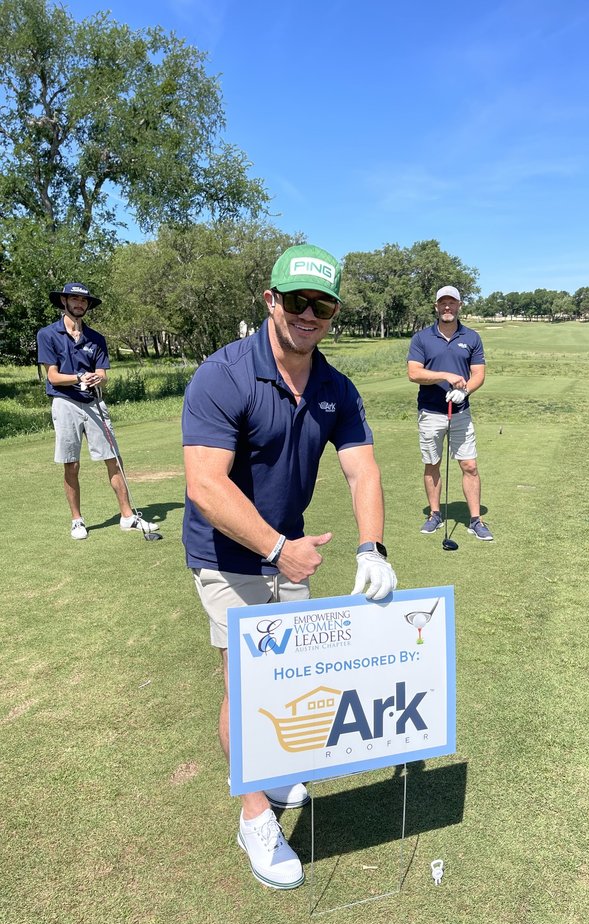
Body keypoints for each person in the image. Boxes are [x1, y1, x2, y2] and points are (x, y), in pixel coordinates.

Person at [182, 243, 397, 891]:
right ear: (271, 300)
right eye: (296, 300)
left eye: (322, 303)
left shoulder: (335, 385)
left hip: (290, 552)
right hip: (228, 555)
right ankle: (254, 814)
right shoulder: (224, 375)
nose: (309, 313)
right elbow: (204, 485)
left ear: (332, 312)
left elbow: (362, 469)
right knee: (247, 686)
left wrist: (372, 548)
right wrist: (278, 549)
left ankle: (273, 773)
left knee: (286, 680)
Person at [36, 281, 160, 541]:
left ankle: (127, 516)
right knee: (72, 463)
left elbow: (103, 375)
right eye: (74, 299)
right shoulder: (47, 335)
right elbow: (53, 377)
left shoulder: (96, 338)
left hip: (93, 402)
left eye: (84, 301)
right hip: (65, 402)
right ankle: (77, 520)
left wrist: (97, 379)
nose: (80, 304)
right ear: (64, 302)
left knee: (113, 459)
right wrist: (80, 377)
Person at [407, 285, 493, 541]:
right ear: (436, 306)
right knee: (432, 464)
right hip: (431, 412)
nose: (447, 307)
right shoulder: (421, 338)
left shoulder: (472, 337)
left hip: (460, 413)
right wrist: (445, 376)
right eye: (443, 303)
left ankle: (476, 519)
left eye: (452, 303)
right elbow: (414, 373)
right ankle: (435, 514)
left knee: (469, 465)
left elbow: (478, 374)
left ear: (459, 305)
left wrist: (464, 391)